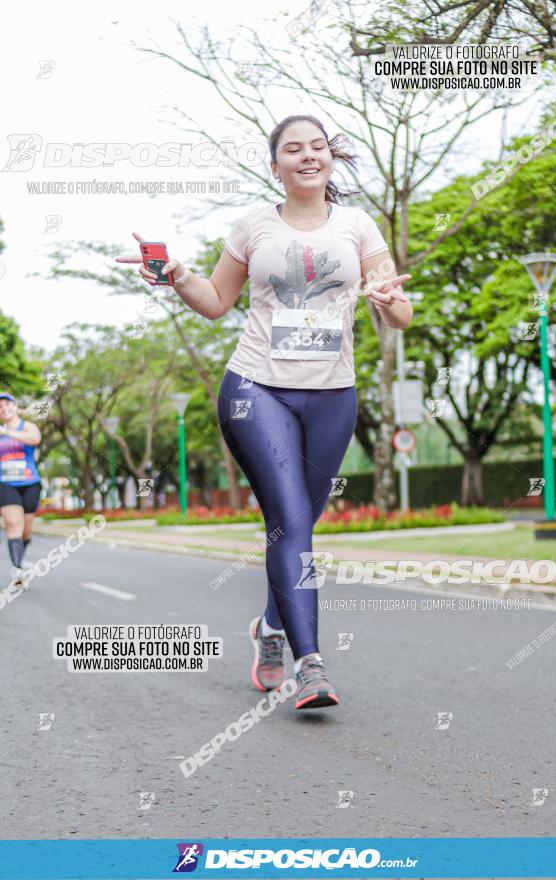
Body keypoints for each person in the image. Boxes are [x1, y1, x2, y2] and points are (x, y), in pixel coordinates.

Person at [115, 114, 413, 710]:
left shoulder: (358, 227)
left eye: (319, 148)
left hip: (333, 394)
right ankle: (313, 666)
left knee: (297, 526)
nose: (308, 156)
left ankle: (271, 627)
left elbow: (400, 313)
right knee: (291, 522)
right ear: (274, 164)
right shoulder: (253, 223)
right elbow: (216, 303)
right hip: (257, 389)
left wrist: (387, 302)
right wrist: (177, 275)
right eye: (293, 149)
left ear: (331, 160)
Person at [0, 392, 43, 586]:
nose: (4, 409)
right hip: (6, 484)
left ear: (15, 407)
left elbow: (35, 439)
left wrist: (6, 432)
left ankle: (20, 552)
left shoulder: (27, 426)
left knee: (25, 531)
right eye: (0, 407)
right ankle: (17, 568)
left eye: (8, 405)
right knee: (13, 525)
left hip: (30, 483)